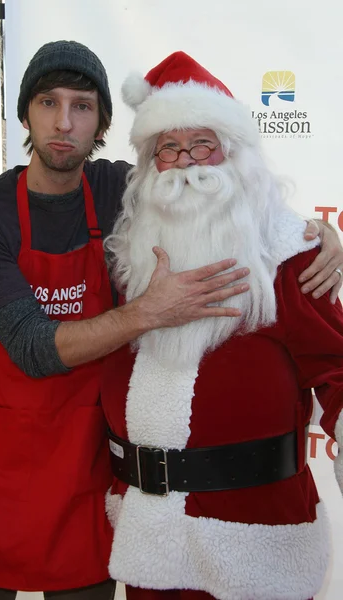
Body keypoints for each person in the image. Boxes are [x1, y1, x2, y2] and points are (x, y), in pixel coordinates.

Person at [0, 41, 341, 599]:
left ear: (102, 120)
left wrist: (318, 237)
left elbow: (225, 193)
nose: (63, 122)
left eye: (82, 105)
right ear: (25, 112)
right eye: (47, 102)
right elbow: (33, 346)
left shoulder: (119, 192)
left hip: (90, 469)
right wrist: (148, 311)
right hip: (3, 460)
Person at [101, 51, 343, 600]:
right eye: (169, 147)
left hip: (257, 545)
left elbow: (337, 367)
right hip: (149, 540)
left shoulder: (288, 253)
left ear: (233, 153)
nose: (187, 162)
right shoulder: (127, 256)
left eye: (202, 143)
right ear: (149, 163)